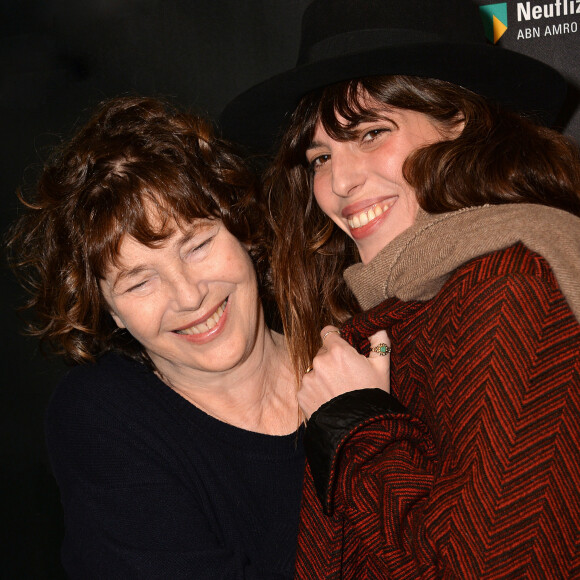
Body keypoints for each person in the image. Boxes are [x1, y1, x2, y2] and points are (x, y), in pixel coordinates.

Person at [220, 0, 580, 577]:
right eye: (319, 157)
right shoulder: (406, 301)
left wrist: (356, 422)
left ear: (458, 122)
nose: (338, 182)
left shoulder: (511, 287)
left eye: (369, 133)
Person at [7, 96, 304, 579]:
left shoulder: (361, 347)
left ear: (242, 231)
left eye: (199, 245)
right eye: (139, 281)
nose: (189, 297)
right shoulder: (104, 420)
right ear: (107, 309)